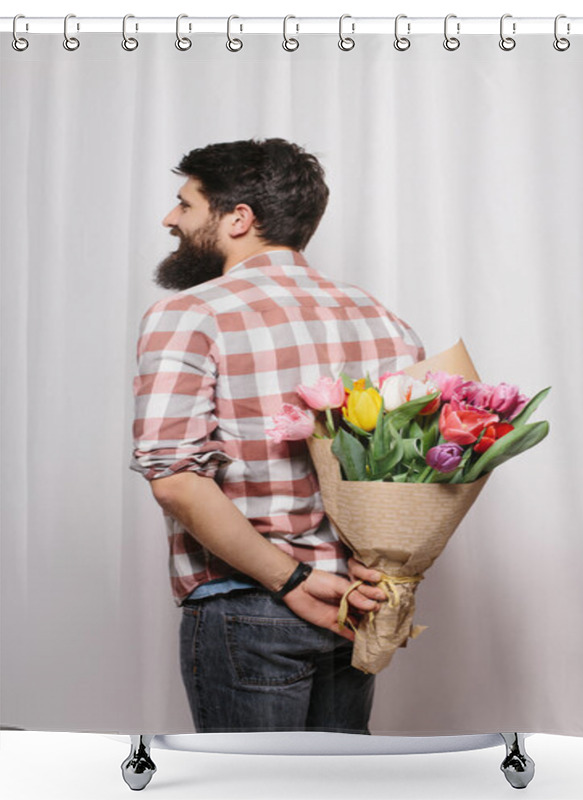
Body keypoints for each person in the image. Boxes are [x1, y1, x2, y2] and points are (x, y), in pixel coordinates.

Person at [130, 138, 425, 733]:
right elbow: (412, 480)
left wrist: (290, 581)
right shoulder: (384, 321)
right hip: (351, 603)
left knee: (251, 790)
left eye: (185, 205)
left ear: (239, 219)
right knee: (334, 789)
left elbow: (177, 483)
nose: (170, 219)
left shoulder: (190, 314)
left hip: (249, 605)